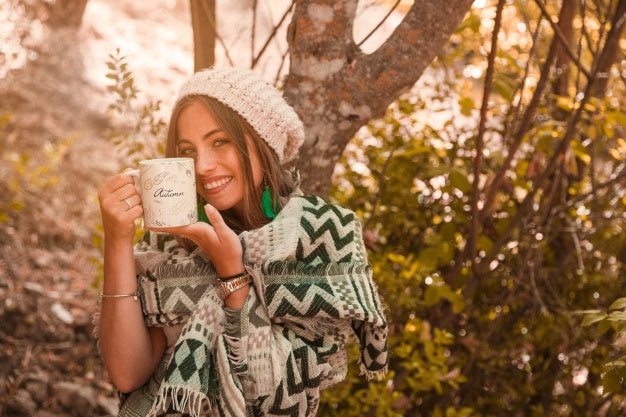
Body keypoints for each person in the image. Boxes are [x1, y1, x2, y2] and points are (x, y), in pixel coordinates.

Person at [97, 67, 388, 417]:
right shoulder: (172, 235)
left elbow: (278, 399)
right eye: (188, 150)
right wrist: (116, 241)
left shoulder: (321, 235)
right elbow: (128, 373)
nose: (202, 166)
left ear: (261, 140)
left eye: (220, 142)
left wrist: (232, 275)